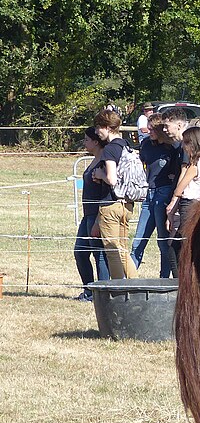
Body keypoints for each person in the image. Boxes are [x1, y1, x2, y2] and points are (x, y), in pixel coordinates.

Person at [129, 113, 182, 276]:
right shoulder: (145, 144)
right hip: (148, 194)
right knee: (138, 241)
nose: (148, 131)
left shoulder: (173, 147)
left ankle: (164, 278)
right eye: (148, 128)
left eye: (152, 129)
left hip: (164, 193)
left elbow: (179, 169)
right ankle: (128, 278)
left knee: (162, 242)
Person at [89, 108, 138, 278]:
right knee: (123, 250)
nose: (96, 132)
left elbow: (111, 179)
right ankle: (135, 284)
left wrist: (99, 174)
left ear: (108, 127)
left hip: (110, 204)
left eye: (98, 128)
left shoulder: (110, 149)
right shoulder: (125, 145)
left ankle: (119, 288)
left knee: (112, 250)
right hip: (126, 204)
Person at [166, 127, 200, 273]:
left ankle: (178, 279)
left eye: (186, 143)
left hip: (189, 205)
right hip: (195, 203)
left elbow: (179, 189)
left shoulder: (194, 165)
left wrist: (175, 194)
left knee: (176, 247)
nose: (183, 147)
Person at [73, 128, 110, 299]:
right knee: (80, 252)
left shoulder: (103, 162)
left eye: (87, 139)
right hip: (87, 215)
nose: (84, 142)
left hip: (96, 215)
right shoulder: (95, 160)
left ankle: (101, 293)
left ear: (96, 142)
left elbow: (104, 193)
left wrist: (97, 220)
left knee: (99, 254)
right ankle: (89, 289)